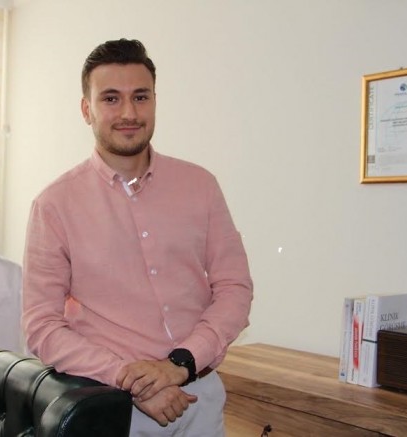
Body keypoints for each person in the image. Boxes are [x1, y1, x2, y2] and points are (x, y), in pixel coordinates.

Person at [22, 38, 253, 437]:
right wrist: (129, 378)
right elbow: (41, 325)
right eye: (111, 98)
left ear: (155, 102)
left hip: (199, 398)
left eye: (140, 97)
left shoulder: (200, 186)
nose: (128, 113)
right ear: (86, 109)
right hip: (110, 405)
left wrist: (180, 364)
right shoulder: (54, 205)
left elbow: (234, 288)